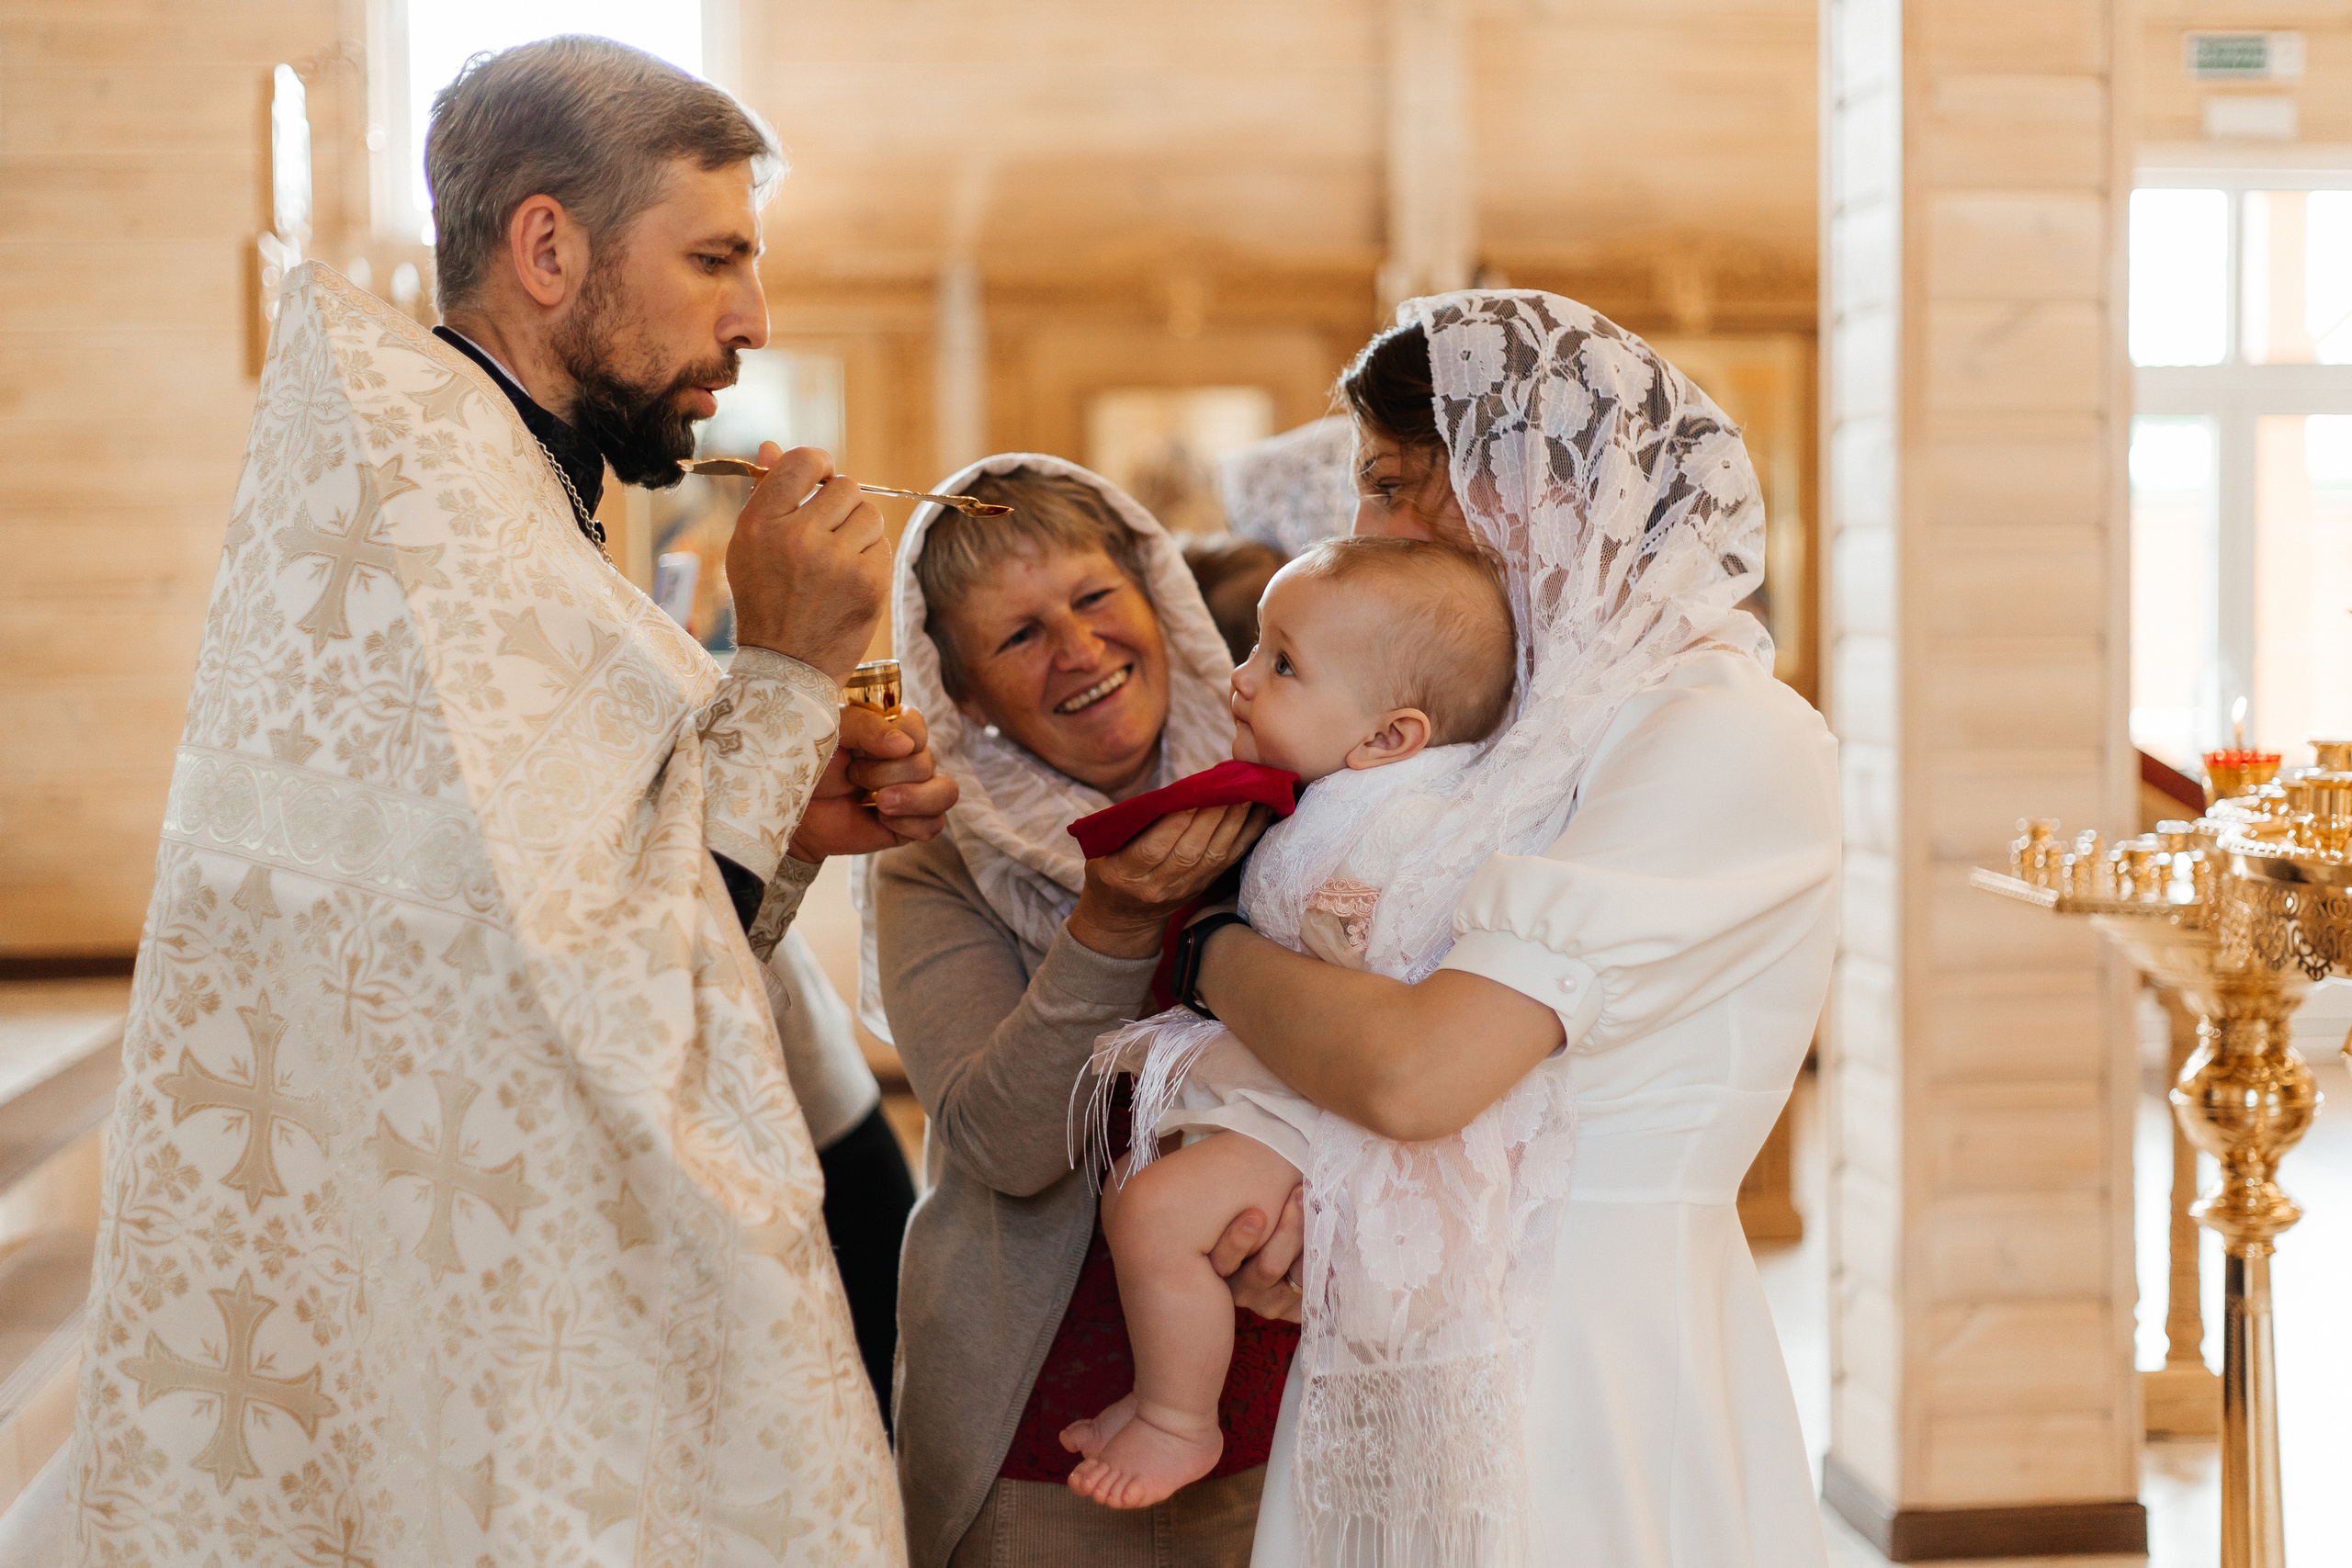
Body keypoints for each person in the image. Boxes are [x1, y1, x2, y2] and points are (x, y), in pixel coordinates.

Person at [63, 38, 951, 1567]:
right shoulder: (441, 533)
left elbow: (600, 932)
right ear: (549, 247)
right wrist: (788, 672)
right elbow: (581, 999)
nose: (755, 317)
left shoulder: (478, 491)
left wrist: (781, 801)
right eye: (716, 257)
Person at [1185, 295, 1841, 1567]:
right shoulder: (1514, 727)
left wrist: (1209, 944)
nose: (1363, 527)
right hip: (1406, 1330)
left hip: (1585, 1345)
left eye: (1390, 485)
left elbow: (1415, 1069)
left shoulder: (1721, 727)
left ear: (1535, 485)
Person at [866, 457, 1300, 1568]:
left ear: (1155, 595)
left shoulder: (1291, 784)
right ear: (962, 693)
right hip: (1046, 1436)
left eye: (1095, 598)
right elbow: (1003, 1146)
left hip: (1301, 1407)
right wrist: (1112, 923)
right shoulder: (940, 861)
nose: (1077, 649)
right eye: (1018, 636)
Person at [1063, 537, 1520, 1513]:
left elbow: (1381, 952)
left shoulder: (1399, 824)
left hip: (1323, 1099)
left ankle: (1177, 1421)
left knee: (1151, 1215)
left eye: (1280, 663)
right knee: (1136, 1194)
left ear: (1388, 738)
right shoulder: (1338, 792)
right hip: (1285, 1075)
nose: (1240, 676)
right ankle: (1163, 1392)